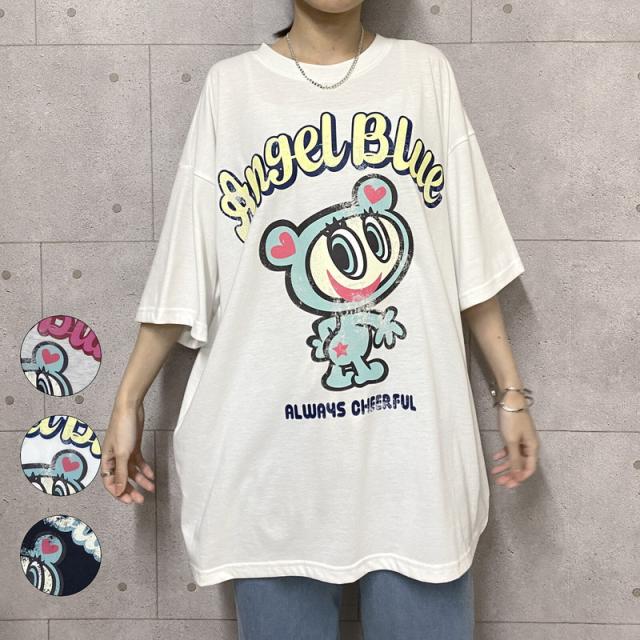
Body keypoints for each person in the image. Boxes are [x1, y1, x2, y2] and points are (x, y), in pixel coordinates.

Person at [101, 1, 540, 638]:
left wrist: (511, 393)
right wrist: (127, 401)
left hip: (411, 459)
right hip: (273, 467)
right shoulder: (232, 89)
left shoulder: (424, 75)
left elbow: (468, 254)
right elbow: (185, 269)